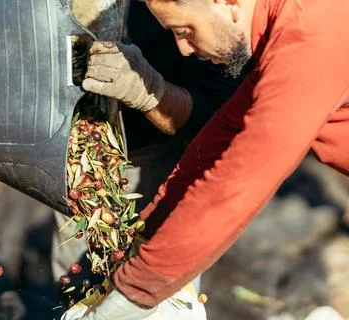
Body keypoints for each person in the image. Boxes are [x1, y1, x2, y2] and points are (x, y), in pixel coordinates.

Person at [0, 0, 243, 319]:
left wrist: (151, 92)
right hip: (68, 164)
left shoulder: (198, 18)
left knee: (153, 294)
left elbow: (219, 118)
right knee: (79, 287)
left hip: (156, 161)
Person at [64, 0, 349, 319]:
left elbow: (241, 178)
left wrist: (135, 291)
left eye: (185, 31)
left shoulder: (309, 33)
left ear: (227, 3)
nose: (184, 49)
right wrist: (146, 232)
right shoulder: (280, 34)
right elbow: (222, 137)